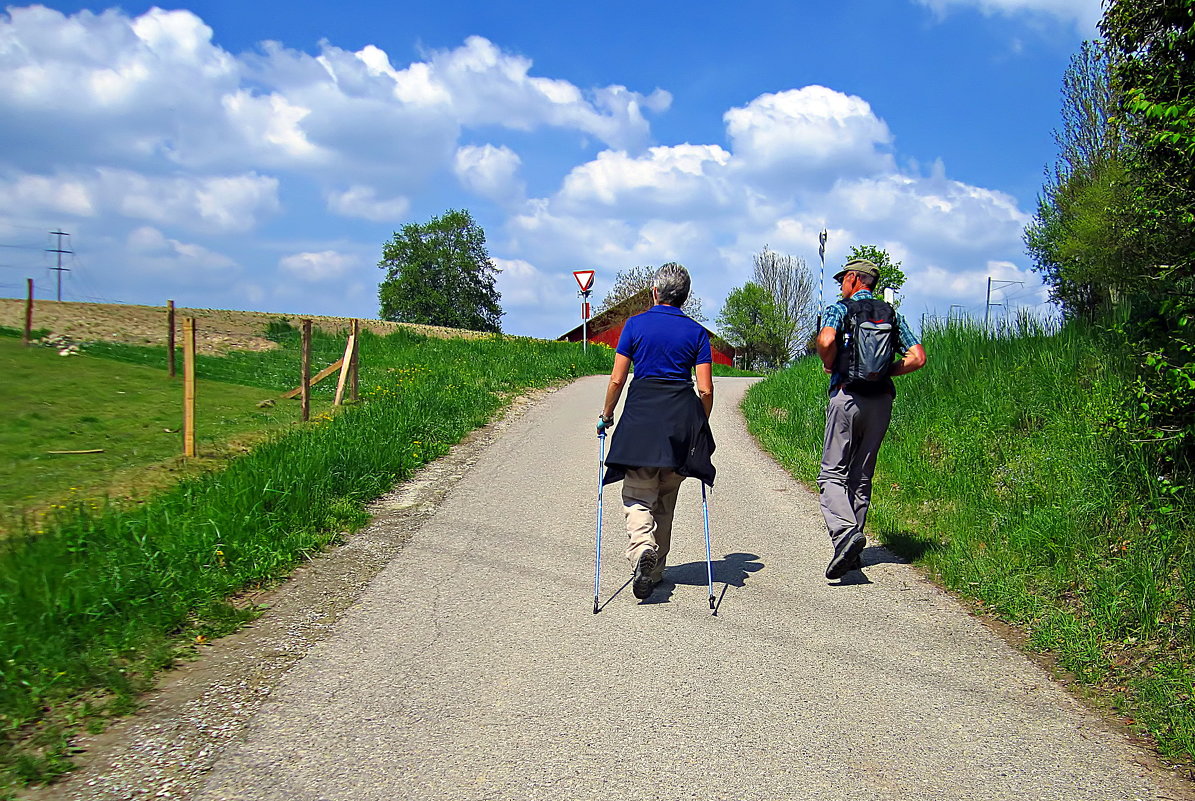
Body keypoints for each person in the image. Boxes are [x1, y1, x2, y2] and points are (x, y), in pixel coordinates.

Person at [598, 263, 715, 600]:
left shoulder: (635, 326)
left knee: (637, 495)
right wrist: (699, 424)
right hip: (679, 425)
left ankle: (642, 551)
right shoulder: (696, 333)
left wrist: (606, 414)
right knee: (665, 499)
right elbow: (705, 390)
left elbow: (618, 378)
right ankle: (656, 568)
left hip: (641, 424)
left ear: (654, 292)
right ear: (685, 297)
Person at [816, 258, 926, 580]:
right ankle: (853, 552)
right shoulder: (891, 314)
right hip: (881, 402)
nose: (840, 286)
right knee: (861, 475)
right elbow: (917, 357)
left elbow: (825, 341)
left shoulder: (842, 308)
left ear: (853, 278)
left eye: (842, 281)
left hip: (847, 396)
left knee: (831, 475)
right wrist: (885, 371)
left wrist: (832, 363)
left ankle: (845, 534)